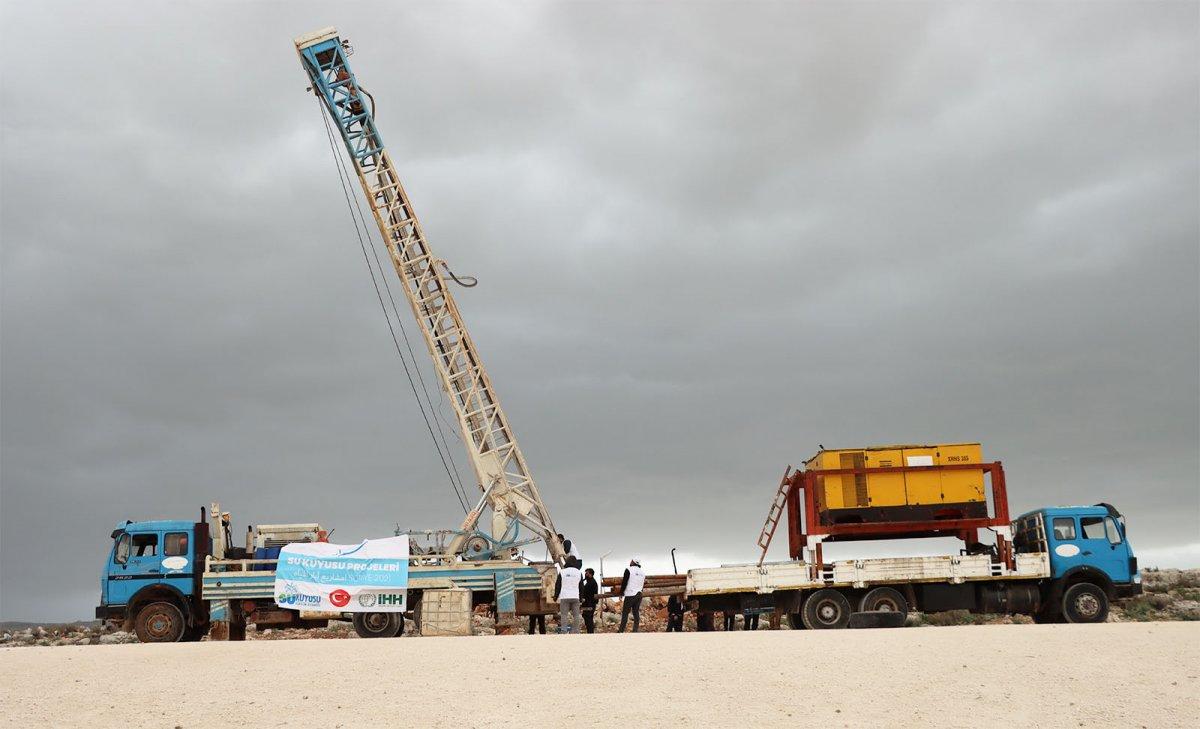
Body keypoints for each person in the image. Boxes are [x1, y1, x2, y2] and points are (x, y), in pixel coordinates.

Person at [554, 556, 583, 634]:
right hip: (575, 596)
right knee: (576, 615)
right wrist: (581, 598)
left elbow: (558, 586)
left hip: (565, 596)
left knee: (564, 615)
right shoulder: (579, 572)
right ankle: (576, 631)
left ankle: (564, 631)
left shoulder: (562, 572)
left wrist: (555, 597)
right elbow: (581, 587)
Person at [618, 558, 646, 633]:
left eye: (631, 561)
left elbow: (624, 582)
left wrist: (621, 593)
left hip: (630, 594)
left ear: (633, 562)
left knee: (625, 613)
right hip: (639, 594)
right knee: (636, 612)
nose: (630, 562)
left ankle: (621, 631)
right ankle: (635, 630)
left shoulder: (628, 569)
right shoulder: (642, 572)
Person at [580, 567, 600, 634]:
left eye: (587, 573)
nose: (585, 574)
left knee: (588, 617)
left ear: (591, 574)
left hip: (590, 604)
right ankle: (590, 632)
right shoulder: (589, 582)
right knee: (587, 617)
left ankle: (590, 633)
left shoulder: (591, 582)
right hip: (589, 604)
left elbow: (585, 592)